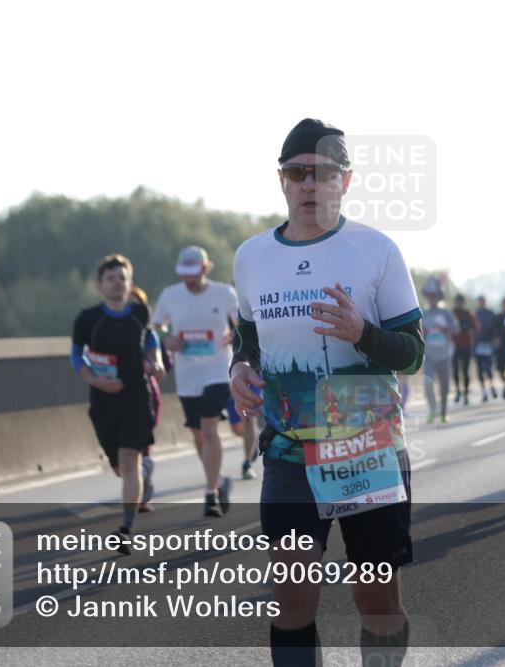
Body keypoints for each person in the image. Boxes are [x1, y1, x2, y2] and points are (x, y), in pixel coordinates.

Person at [230, 119, 423, 666]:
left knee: (376, 600)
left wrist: (363, 334)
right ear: (282, 181)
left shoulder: (376, 249)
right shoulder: (251, 257)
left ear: (346, 180)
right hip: (289, 452)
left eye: (322, 173)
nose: (309, 184)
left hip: (366, 447)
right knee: (291, 600)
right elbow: (248, 339)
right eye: (297, 173)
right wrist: (239, 367)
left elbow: (413, 352)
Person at [72, 255, 164, 552]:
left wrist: (156, 361)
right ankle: (141, 477)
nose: (117, 282)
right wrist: (95, 380)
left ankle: (126, 528)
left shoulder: (139, 312)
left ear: (129, 282)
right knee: (118, 467)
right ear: (100, 285)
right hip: (102, 401)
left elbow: (151, 340)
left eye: (122, 277)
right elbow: (76, 355)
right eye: (110, 278)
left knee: (128, 459)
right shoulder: (87, 319)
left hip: (136, 397)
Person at [153, 245, 239, 517]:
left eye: (193, 271)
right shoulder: (170, 295)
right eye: (184, 272)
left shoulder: (224, 293)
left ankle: (210, 493)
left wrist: (235, 335)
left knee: (209, 427)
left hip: (217, 369)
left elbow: (243, 323)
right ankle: (220, 480)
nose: (188, 277)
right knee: (199, 435)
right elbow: (157, 326)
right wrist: (166, 338)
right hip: (187, 373)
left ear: (204, 268)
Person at [129, 286, 160, 511]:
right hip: (118, 396)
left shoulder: (148, 334)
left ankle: (141, 494)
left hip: (146, 395)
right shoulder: (108, 331)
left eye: (136, 305)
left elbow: (156, 363)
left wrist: (152, 365)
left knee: (140, 446)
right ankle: (142, 474)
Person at [421, 277, 456, 423]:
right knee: (428, 382)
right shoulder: (423, 313)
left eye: (434, 295)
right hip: (429, 355)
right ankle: (432, 409)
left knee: (444, 385)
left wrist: (443, 328)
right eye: (429, 295)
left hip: (444, 354)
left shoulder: (445, 313)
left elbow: (455, 328)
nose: (432, 298)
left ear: (438, 296)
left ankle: (443, 413)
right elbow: (419, 333)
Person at [451, 294, 476, 406]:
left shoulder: (468, 314)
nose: (459, 304)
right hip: (454, 346)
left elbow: (475, 328)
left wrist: (469, 330)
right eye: (457, 302)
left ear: (463, 303)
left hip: (466, 346)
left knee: (465, 371)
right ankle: (457, 391)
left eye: (460, 302)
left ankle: (466, 393)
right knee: (455, 370)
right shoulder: (451, 313)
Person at [473, 295, 499, 402]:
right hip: (477, 345)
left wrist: (496, 338)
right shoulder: (474, 314)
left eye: (483, 301)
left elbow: (496, 327)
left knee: (489, 368)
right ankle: (483, 392)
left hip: (488, 344)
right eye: (480, 301)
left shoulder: (491, 313)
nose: (481, 303)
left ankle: (492, 387)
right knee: (479, 370)